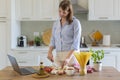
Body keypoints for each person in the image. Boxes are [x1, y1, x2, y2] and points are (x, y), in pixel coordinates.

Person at [47, 0, 81, 68]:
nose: (61, 14)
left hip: (71, 55)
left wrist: (68, 58)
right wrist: (49, 52)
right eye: (59, 11)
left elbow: (76, 43)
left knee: (71, 77)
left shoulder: (75, 23)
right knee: (56, 75)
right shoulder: (56, 24)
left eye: (64, 12)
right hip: (58, 55)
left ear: (69, 12)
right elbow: (53, 40)